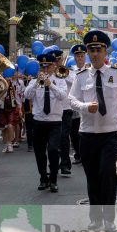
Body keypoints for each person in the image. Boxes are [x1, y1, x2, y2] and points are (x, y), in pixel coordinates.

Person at [69, 30, 117, 231]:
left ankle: (109, 219)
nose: (95, 54)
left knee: (107, 173)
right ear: (87, 52)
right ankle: (95, 218)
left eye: (98, 50)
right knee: (92, 176)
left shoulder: (116, 73)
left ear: (105, 52)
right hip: (87, 133)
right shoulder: (81, 76)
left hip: (109, 133)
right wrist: (85, 107)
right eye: (91, 50)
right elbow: (71, 99)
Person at [24, 54, 68, 193]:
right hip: (39, 121)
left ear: (54, 65)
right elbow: (27, 95)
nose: (45, 68)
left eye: (48, 65)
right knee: (39, 152)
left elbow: (63, 96)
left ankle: (53, 179)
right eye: (43, 65)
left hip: (55, 121)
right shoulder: (35, 81)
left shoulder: (60, 79)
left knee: (53, 150)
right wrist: (37, 83)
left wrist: (51, 85)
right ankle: (43, 178)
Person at [49, 49, 75, 176]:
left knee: (64, 137)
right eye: (53, 61)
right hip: (53, 110)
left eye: (57, 60)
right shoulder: (49, 74)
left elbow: (74, 82)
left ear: (61, 60)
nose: (55, 63)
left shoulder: (68, 71)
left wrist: (64, 73)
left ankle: (65, 164)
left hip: (66, 108)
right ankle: (53, 164)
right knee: (54, 140)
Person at [70, 44, 87, 163]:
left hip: (86, 104)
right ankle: (78, 154)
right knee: (74, 132)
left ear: (85, 57)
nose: (80, 58)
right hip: (75, 105)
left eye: (82, 56)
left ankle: (85, 154)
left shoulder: (90, 69)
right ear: (74, 57)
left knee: (85, 132)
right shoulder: (70, 71)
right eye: (78, 56)